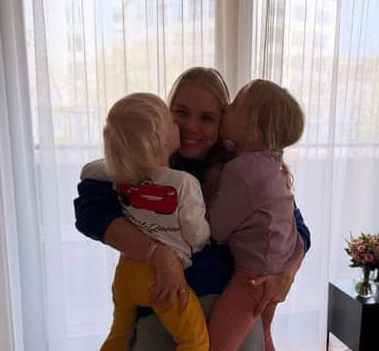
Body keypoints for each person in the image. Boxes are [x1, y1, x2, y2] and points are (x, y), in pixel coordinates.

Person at [74, 67, 311, 350]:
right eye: (181, 112)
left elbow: (295, 225)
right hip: (161, 313)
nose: (192, 127)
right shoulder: (143, 160)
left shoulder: (243, 168)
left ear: (224, 120)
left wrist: (286, 274)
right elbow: (89, 212)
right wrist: (160, 256)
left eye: (207, 118)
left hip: (233, 315)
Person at [92, 93, 210, 350]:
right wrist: (205, 241)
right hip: (158, 279)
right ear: (160, 139)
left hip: (125, 273)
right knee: (194, 340)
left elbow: (88, 170)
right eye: (173, 121)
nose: (179, 126)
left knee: (119, 334)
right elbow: (196, 234)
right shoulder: (184, 183)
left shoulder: (118, 175)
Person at [207, 80, 304, 351]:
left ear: (253, 131)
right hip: (274, 272)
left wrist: (210, 188)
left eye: (235, 105)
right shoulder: (270, 165)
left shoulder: (241, 171)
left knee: (215, 347)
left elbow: (215, 230)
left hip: (251, 280)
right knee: (264, 336)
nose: (226, 108)